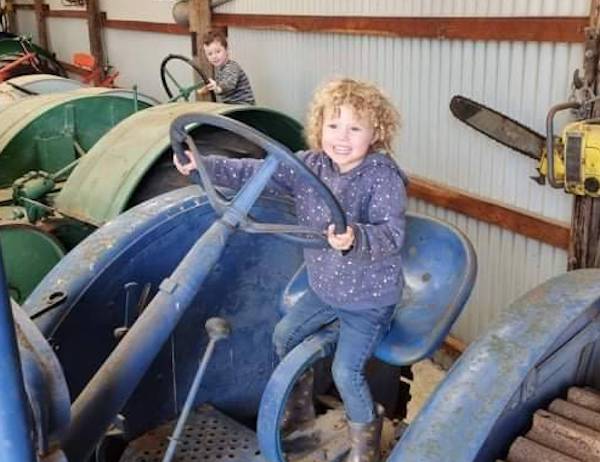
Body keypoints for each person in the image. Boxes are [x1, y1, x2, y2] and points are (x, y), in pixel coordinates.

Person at [174, 77, 407, 462]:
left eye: (355, 128)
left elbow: (392, 234)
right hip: (325, 288)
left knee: (346, 373)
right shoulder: (309, 166)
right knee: (284, 335)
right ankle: (299, 418)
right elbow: (255, 171)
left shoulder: (381, 177)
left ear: (376, 133)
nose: (342, 137)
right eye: (333, 125)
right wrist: (205, 165)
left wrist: (356, 237)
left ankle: (365, 449)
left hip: (368, 298)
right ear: (319, 127)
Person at [197, 29, 255, 105]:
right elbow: (219, 84)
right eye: (210, 54)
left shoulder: (232, 67)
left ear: (227, 50)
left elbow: (228, 85)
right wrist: (207, 89)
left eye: (218, 51)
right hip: (231, 105)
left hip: (243, 106)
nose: (214, 56)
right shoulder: (220, 69)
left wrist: (217, 88)